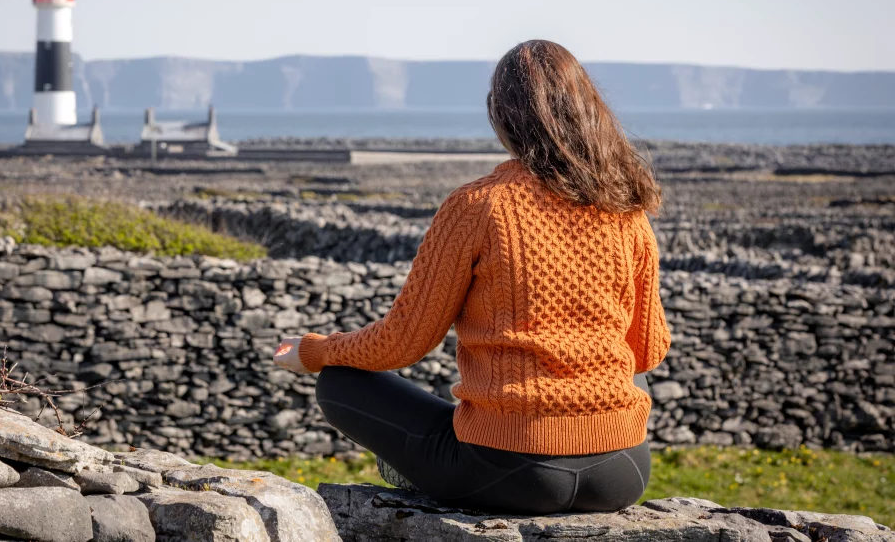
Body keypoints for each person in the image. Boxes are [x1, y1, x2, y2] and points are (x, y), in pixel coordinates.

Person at [273, 39, 671, 515]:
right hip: (623, 471)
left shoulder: (478, 207)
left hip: (513, 472)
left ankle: (418, 470)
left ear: (500, 116)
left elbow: (403, 342)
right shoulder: (625, 208)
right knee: (624, 372)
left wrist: (315, 352)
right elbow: (647, 349)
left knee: (338, 383)